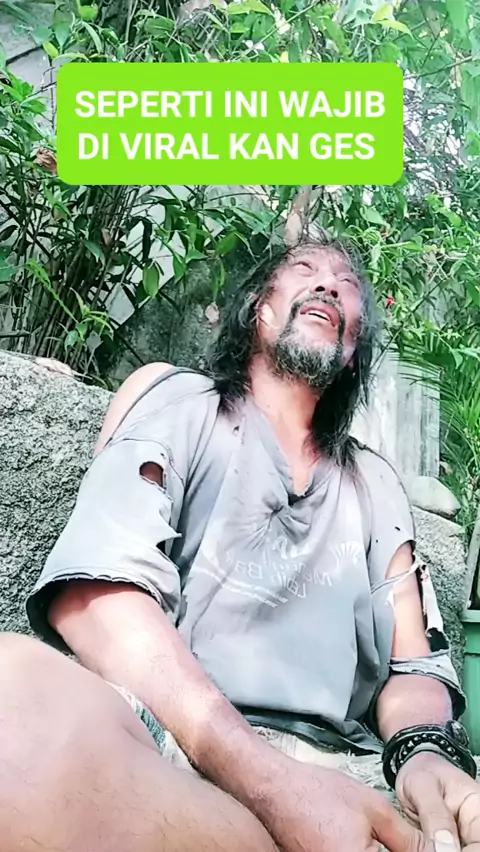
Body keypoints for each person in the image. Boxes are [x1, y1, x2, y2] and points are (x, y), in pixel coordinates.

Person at [1, 238, 478, 852]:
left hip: (345, 769)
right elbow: (97, 598)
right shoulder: (176, 400)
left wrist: (424, 756)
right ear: (259, 308)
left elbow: (413, 667)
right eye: (304, 269)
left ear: (354, 346)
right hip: (175, 746)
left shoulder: (377, 485)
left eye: (346, 284)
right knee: (12, 696)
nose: (328, 284)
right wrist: (276, 789)